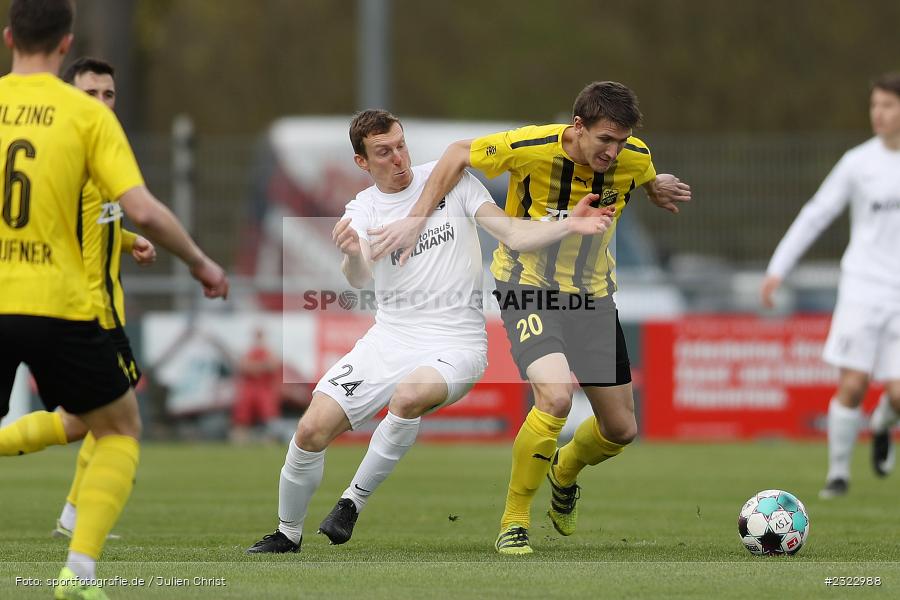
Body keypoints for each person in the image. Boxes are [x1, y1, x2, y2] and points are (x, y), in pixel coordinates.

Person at [246, 109, 614, 554]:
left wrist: (567, 223)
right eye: (384, 152)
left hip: (455, 342)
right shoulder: (362, 209)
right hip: (388, 339)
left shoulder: (452, 183)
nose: (398, 157)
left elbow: (512, 235)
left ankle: (351, 502)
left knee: (408, 397)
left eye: (401, 145)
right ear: (362, 162)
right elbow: (359, 277)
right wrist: (350, 255)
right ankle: (287, 533)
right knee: (309, 431)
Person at [368, 81, 691, 554]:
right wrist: (417, 218)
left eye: (621, 141)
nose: (613, 151)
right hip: (527, 290)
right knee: (556, 398)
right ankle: (514, 519)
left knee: (621, 430)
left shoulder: (634, 158)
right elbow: (458, 153)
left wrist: (653, 184)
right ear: (577, 127)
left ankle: (564, 471)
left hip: (593, 299)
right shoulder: (531, 147)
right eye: (605, 140)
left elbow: (642, 173)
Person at [0, 2, 228, 599]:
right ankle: (77, 572)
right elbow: (145, 208)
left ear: (8, 38)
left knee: (87, 424)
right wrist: (200, 262)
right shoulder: (83, 118)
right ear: (65, 42)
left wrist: (123, 242)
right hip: (62, 306)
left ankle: (71, 523)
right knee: (119, 428)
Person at [0, 56, 156, 544]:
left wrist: (129, 242)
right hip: (88, 311)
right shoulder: (79, 152)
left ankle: (73, 517)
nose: (102, 103)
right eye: (91, 94)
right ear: (70, 96)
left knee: (101, 420)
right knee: (98, 422)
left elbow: (94, 223)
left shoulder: (95, 149)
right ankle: (75, 523)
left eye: (109, 95)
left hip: (95, 308)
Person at [761, 72, 900, 499]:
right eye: (874, 105)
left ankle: (881, 423)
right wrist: (777, 268)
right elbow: (816, 213)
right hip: (863, 287)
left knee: (897, 394)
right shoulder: (858, 163)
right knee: (854, 384)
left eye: (888, 106)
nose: (878, 113)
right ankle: (837, 475)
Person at [230, 327, 282, 443]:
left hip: (264, 389)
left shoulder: (268, 351)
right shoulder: (250, 351)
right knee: (242, 414)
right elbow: (244, 366)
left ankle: (269, 439)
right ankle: (240, 439)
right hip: (250, 389)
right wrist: (262, 367)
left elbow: (273, 365)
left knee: (268, 414)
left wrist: (255, 367)